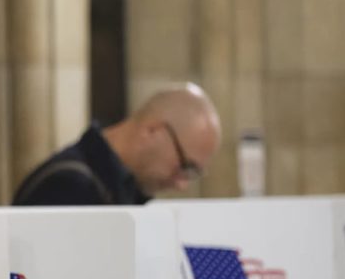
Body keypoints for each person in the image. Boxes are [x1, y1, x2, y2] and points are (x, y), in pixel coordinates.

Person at [13, 83, 221, 205]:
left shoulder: (126, 190)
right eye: (186, 166)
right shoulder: (69, 185)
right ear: (153, 131)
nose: (182, 184)